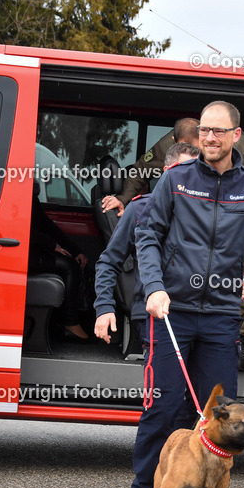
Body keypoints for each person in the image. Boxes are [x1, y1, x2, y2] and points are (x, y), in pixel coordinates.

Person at [128, 100, 244, 488]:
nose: (210, 138)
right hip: (172, 312)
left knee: (216, 415)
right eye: (204, 131)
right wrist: (154, 286)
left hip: (221, 317)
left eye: (218, 131)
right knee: (162, 408)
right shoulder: (176, 179)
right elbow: (148, 234)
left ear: (236, 135)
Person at [93, 141, 202, 345]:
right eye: (185, 171)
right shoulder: (139, 209)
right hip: (154, 314)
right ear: (167, 172)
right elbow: (109, 261)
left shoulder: (209, 213)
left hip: (201, 316)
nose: (193, 178)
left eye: (198, 172)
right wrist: (104, 307)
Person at [101, 116, 244, 216]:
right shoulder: (168, 143)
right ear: (175, 142)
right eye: (182, 149)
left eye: (195, 151)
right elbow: (141, 170)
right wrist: (122, 200)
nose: (189, 157)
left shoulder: (232, 143)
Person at [29, 182, 90, 340]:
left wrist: (76, 251)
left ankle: (63, 321)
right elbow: (24, 229)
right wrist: (52, 245)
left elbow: (49, 226)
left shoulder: (31, 199)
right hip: (22, 253)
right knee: (70, 266)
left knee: (73, 262)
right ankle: (70, 322)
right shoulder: (18, 197)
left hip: (33, 249)